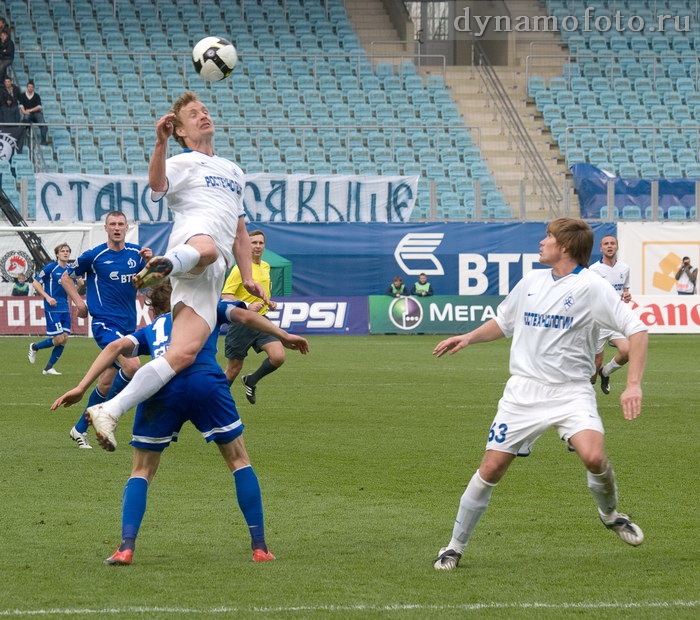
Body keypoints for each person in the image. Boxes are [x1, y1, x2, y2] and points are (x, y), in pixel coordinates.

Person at [432, 218, 648, 571]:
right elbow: (504, 322)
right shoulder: (532, 280)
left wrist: (634, 383)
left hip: (571, 392)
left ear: (565, 247)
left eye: (549, 237)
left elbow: (637, 330)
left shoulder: (592, 287)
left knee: (594, 457)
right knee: (491, 468)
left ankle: (609, 515)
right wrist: (468, 337)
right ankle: (454, 546)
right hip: (523, 392)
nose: (542, 241)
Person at [51, 280, 309, 565]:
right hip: (205, 382)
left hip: (160, 385)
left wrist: (81, 387)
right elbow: (247, 315)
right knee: (239, 461)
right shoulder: (206, 307)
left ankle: (125, 547)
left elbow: (115, 346)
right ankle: (260, 548)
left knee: (141, 470)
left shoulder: (151, 329)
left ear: (155, 309)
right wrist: (283, 335)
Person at [85, 90, 265, 452]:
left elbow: (241, 233)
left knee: (182, 354)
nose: (203, 116)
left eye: (205, 110)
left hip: (212, 275)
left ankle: (109, 409)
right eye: (194, 114)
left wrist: (247, 276)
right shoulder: (184, 161)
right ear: (180, 130)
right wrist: (160, 143)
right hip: (194, 243)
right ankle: (166, 266)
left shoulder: (234, 170)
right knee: (208, 248)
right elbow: (157, 185)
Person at [60, 211, 151, 449]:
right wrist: (80, 303)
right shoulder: (94, 256)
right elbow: (65, 278)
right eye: (113, 224)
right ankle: (108, 414)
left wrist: (151, 261)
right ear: (106, 228)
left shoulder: (136, 254)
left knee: (105, 384)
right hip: (105, 323)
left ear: (127, 227)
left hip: (128, 324)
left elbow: (151, 280)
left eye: (121, 224)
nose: (117, 227)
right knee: (132, 366)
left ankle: (79, 429)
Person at [221, 229, 282, 405]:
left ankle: (251, 380)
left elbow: (261, 294)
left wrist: (269, 302)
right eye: (253, 243)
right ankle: (217, 400)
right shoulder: (239, 269)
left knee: (278, 357)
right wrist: (247, 306)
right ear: (247, 245)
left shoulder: (266, 266)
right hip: (242, 322)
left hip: (262, 320)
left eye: (260, 243)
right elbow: (226, 295)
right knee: (233, 369)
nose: (257, 246)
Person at [588, 234, 631, 395]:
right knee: (595, 362)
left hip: (615, 320)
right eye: (606, 244)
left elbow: (624, 290)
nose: (609, 246)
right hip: (598, 321)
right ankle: (589, 395)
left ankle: (605, 373)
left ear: (617, 247)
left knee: (627, 352)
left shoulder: (624, 268)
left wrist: (626, 295)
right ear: (601, 248)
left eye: (612, 243)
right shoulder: (593, 270)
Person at [28, 244, 74, 376]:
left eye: (67, 251)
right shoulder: (51, 268)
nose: (65, 253)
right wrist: (48, 297)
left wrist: (79, 285)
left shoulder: (70, 270)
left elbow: (71, 292)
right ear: (57, 254)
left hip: (65, 308)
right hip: (52, 307)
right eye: (62, 251)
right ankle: (34, 346)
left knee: (64, 339)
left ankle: (48, 368)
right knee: (59, 339)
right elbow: (35, 283)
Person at [18, 80, 48, 145]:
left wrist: (30, 110)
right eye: (29, 87)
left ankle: (43, 142)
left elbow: (39, 106)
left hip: (36, 113)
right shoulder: (22, 95)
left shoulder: (36, 95)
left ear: (33, 88)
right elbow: (21, 105)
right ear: (27, 87)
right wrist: (24, 112)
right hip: (27, 113)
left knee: (43, 125)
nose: (30, 88)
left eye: (31, 87)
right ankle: (22, 139)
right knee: (25, 120)